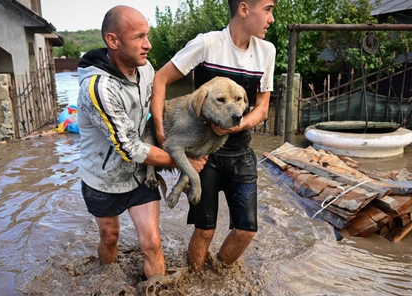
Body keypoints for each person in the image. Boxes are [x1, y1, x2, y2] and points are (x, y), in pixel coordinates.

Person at [76, 5, 207, 279]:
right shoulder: (98, 88)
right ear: (113, 41)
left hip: (139, 175)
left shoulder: (146, 68)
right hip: (103, 179)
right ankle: (107, 284)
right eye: (139, 37)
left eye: (147, 35)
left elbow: (159, 109)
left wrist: (194, 132)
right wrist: (184, 161)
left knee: (152, 242)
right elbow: (129, 148)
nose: (148, 44)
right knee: (110, 237)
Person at [150, 0, 276, 272]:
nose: (271, 18)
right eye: (267, 9)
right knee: (205, 230)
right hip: (204, 153)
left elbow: (263, 107)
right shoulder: (207, 43)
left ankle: (217, 274)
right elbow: (160, 79)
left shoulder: (267, 51)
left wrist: (238, 125)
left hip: (241, 152)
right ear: (244, 9)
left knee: (246, 230)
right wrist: (161, 136)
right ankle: (194, 280)